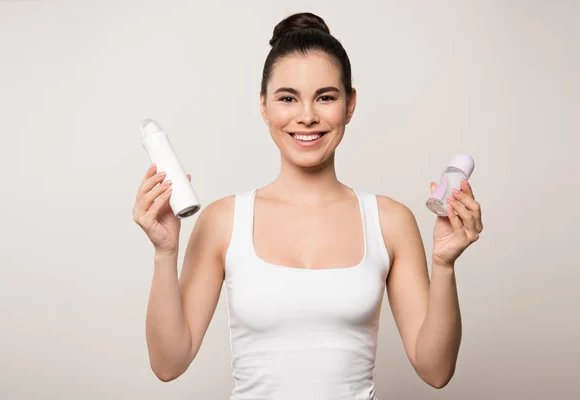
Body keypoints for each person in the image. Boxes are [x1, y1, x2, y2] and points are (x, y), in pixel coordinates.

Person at [132, 12, 483, 400]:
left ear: (350, 105)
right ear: (264, 106)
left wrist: (444, 265)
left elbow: (435, 371)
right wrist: (165, 253)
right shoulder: (223, 221)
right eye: (287, 98)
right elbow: (168, 364)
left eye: (326, 97)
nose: (307, 116)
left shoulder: (390, 221)